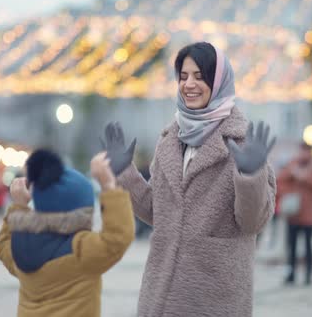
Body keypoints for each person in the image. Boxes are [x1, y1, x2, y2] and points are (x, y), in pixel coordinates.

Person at [100, 42, 277, 316]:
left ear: (219, 82)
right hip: (159, 294)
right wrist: (125, 174)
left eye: (199, 76)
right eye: (183, 77)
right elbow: (158, 212)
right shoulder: (170, 140)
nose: (189, 84)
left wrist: (251, 175)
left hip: (213, 297)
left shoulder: (243, 143)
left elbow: (252, 221)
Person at [0, 149, 135, 317]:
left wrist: (18, 207)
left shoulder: (22, 247)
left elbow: (3, 245)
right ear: (83, 213)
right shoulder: (81, 249)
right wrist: (109, 187)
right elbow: (118, 238)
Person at [277, 142, 312, 285]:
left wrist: (304, 178)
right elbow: (280, 180)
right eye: (301, 151)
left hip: (309, 214)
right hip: (293, 213)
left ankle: (308, 274)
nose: (303, 154)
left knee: (308, 245)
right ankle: (291, 273)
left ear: (311, 152)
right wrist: (293, 174)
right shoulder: (293, 164)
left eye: (306, 151)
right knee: (291, 246)